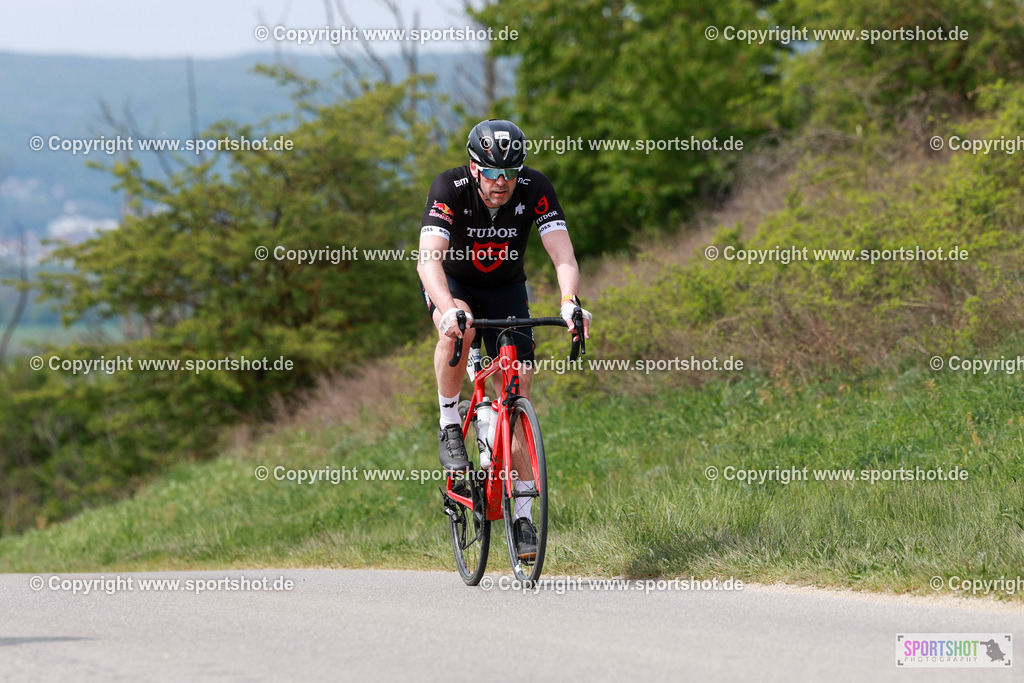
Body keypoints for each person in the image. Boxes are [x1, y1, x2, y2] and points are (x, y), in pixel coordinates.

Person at [416, 119, 592, 559]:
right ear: (475, 169)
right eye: (492, 173)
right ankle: (449, 422)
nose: (501, 183)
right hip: (453, 284)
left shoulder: (535, 187)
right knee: (465, 326)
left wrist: (570, 300)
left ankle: (524, 517)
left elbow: (562, 252)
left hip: (507, 287)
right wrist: (445, 308)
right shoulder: (449, 187)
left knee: (517, 390)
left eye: (510, 173)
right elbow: (427, 260)